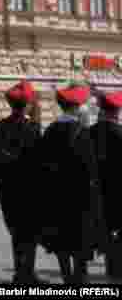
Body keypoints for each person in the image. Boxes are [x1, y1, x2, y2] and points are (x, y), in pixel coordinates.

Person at [36, 83, 102, 285]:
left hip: (56, 197)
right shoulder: (82, 132)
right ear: (76, 107)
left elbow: (42, 165)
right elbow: (91, 169)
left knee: (61, 240)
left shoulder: (50, 131)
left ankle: (66, 276)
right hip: (80, 199)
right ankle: (80, 278)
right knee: (80, 240)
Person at [0, 80, 42, 284]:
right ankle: (26, 274)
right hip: (30, 192)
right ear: (28, 104)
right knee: (30, 234)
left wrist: (2, 190)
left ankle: (21, 273)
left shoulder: (1, 127)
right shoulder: (33, 128)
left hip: (8, 192)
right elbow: (39, 164)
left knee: (16, 233)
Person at [92, 91, 122, 279]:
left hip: (96, 191)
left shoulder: (89, 132)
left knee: (106, 230)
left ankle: (111, 268)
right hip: (118, 192)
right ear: (117, 111)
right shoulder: (120, 133)